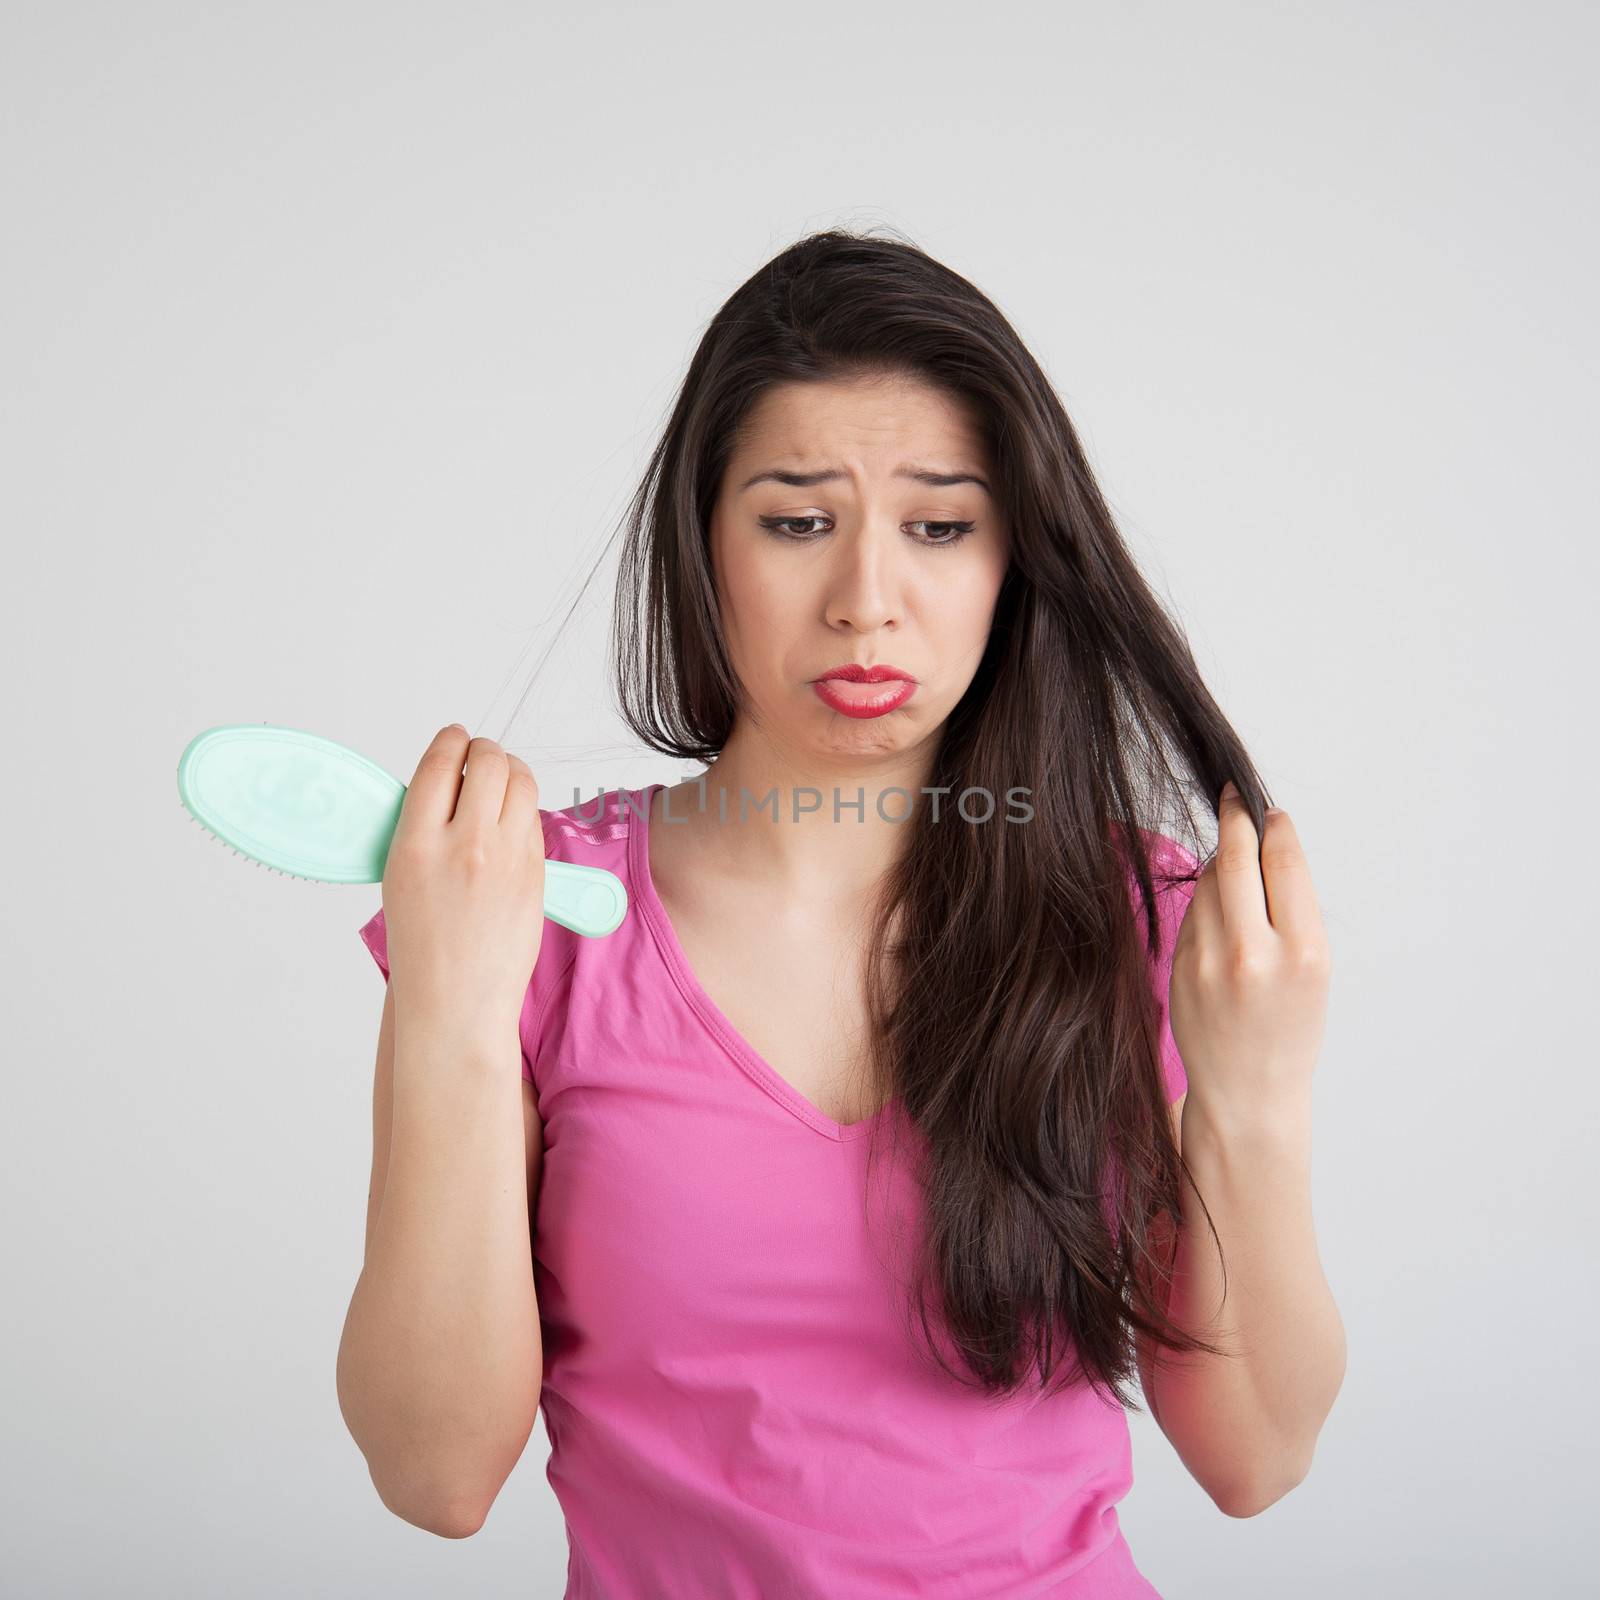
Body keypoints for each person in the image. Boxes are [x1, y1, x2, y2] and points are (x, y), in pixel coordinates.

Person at [336, 228, 1345, 1596]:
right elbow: (434, 1475)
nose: (869, 602)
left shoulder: (1142, 919)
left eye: (941, 525)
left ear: (1015, 562)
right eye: (797, 521)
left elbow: (1259, 1459)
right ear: (703, 550)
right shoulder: (533, 919)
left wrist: (1259, 1097)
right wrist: (451, 1012)